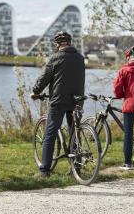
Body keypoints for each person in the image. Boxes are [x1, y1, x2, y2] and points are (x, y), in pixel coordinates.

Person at [30, 31, 85, 177]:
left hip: (59, 100)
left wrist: (35, 91)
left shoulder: (55, 58)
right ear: (70, 42)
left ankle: (44, 170)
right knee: (75, 133)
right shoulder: (80, 58)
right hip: (77, 100)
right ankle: (76, 168)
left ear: (57, 44)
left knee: (50, 133)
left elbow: (45, 78)